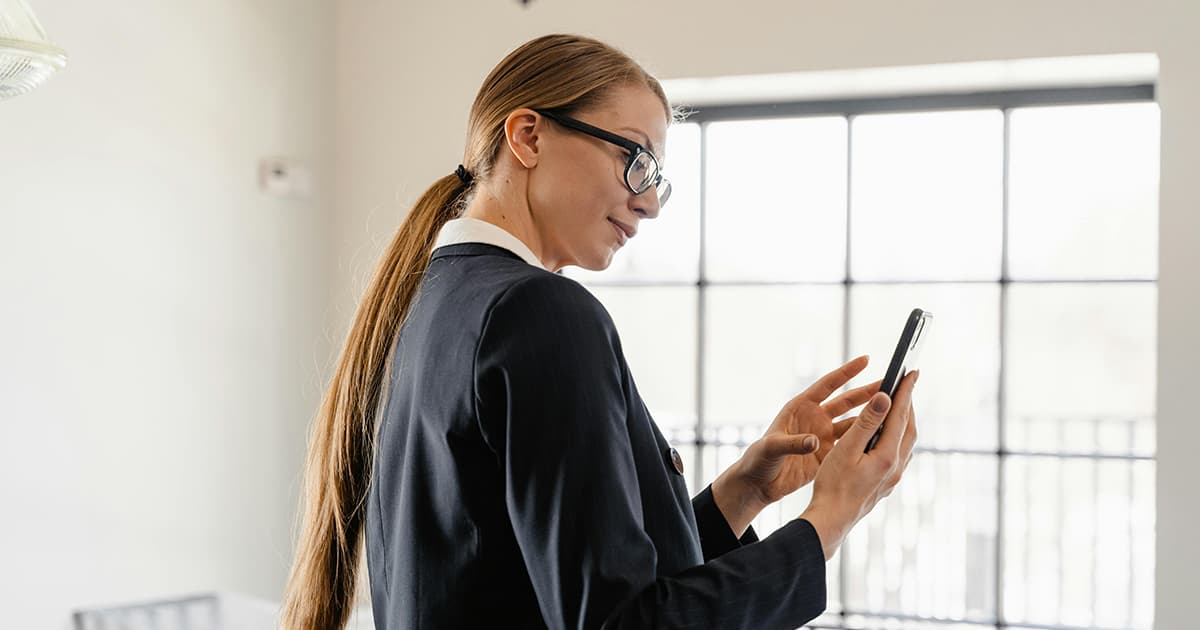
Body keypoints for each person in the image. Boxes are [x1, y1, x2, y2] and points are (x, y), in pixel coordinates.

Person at [280, 33, 919, 630]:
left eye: (657, 178)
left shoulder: (431, 297)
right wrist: (829, 519)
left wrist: (744, 491)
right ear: (527, 136)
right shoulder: (540, 312)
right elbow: (620, 621)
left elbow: (545, 574)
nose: (650, 203)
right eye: (634, 159)